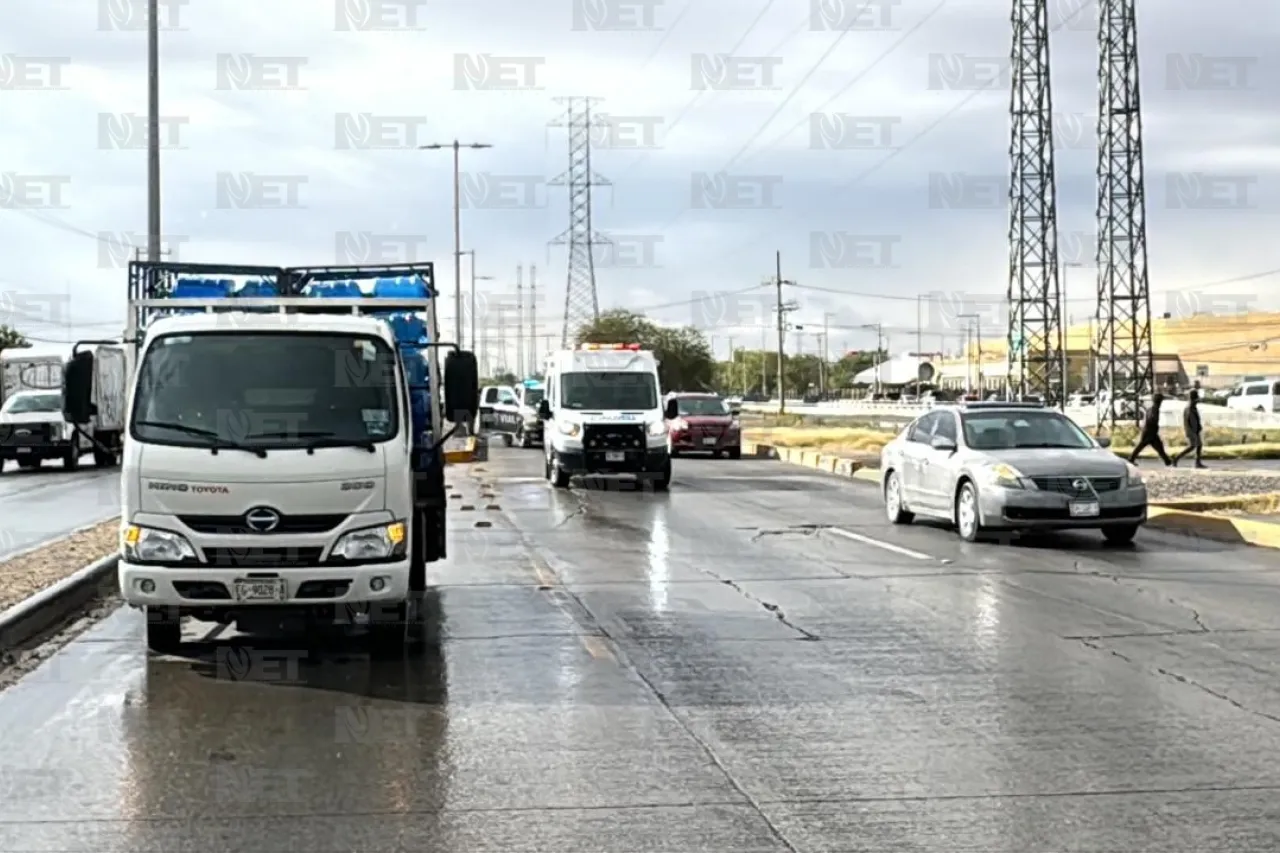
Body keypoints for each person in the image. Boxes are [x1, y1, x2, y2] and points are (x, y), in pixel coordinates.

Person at [1128, 392, 1172, 466]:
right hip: (1150, 431)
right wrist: (1154, 425)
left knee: (1158, 446)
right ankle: (1131, 459)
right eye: (1161, 400)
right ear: (1159, 401)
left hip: (1150, 431)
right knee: (1142, 445)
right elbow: (1152, 419)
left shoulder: (1151, 408)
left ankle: (1167, 461)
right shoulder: (1155, 409)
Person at [1173, 389, 1207, 468]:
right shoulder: (1190, 407)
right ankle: (1176, 458)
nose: (1198, 399)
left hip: (1194, 429)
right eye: (1197, 397)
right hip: (1192, 430)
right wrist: (1195, 430)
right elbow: (1191, 420)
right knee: (1193, 446)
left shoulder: (1191, 405)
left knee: (1199, 445)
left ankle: (1197, 463)